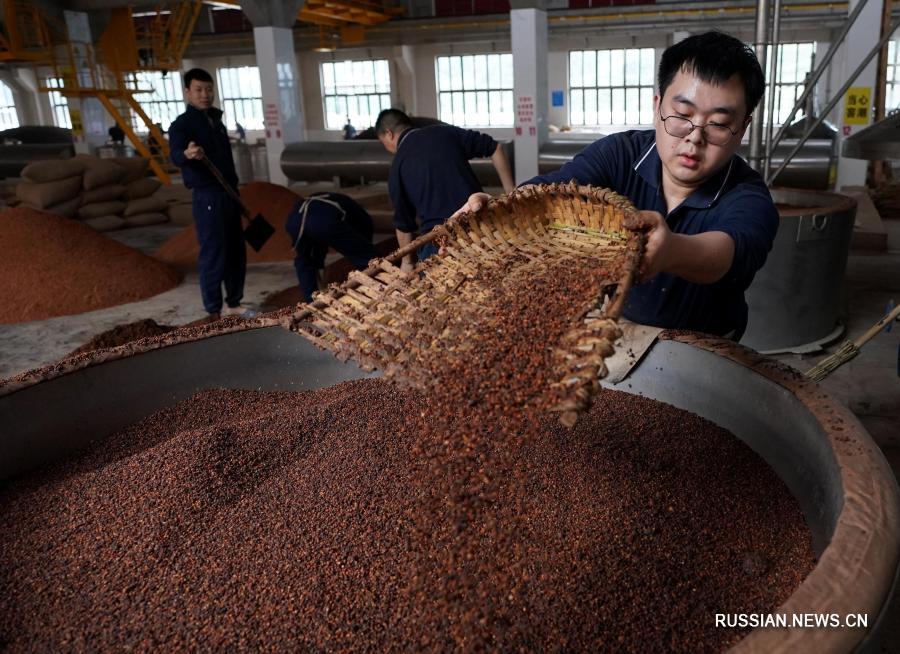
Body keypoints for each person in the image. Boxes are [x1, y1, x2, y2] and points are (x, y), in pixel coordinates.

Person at [456, 31, 778, 340]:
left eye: (719, 124)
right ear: (657, 107)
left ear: (743, 127)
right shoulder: (620, 155)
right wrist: (500, 208)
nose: (695, 137)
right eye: (682, 114)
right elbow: (554, 190)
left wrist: (672, 251)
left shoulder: (748, 196)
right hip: (621, 331)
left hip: (707, 346)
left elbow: (731, 252)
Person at [375, 108, 516, 273]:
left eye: (383, 142)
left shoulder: (397, 166)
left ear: (389, 134)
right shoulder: (444, 132)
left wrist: (407, 262)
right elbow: (495, 148)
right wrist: (511, 194)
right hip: (482, 224)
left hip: (440, 241)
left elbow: (403, 226)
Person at [169, 68, 254, 320]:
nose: (205, 95)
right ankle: (213, 310)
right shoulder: (182, 125)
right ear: (187, 92)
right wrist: (187, 154)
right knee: (214, 252)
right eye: (199, 90)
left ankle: (234, 302)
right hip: (207, 196)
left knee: (236, 251)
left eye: (209, 89)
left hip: (228, 193)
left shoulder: (216, 122)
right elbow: (174, 154)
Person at [285, 192, 379, 303]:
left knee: (305, 261)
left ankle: (312, 303)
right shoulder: (362, 218)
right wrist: (366, 258)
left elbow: (318, 242)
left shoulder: (338, 201)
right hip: (322, 220)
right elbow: (362, 246)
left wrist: (318, 263)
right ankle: (379, 292)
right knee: (370, 258)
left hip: (294, 220)